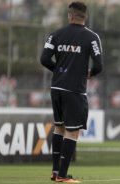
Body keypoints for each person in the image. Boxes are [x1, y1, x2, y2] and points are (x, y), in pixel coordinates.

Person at [40, 1, 103, 183]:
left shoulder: (56, 34)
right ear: (85, 17)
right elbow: (99, 65)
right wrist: (89, 74)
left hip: (56, 88)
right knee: (72, 131)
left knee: (59, 127)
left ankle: (55, 171)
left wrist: (59, 70)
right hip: (74, 89)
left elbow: (44, 59)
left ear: (70, 16)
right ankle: (62, 175)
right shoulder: (91, 37)